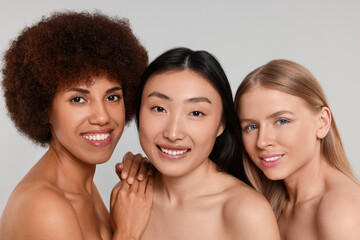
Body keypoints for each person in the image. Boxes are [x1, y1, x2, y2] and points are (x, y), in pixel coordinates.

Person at [0, 11, 154, 240]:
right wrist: (127, 232)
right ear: (45, 109)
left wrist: (141, 179)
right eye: (78, 99)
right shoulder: (46, 207)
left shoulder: (84, 187)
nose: (102, 117)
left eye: (112, 97)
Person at [129, 47, 280, 239]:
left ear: (221, 124)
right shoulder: (130, 198)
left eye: (196, 113)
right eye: (159, 108)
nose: (173, 133)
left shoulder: (247, 212)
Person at [234, 59, 360, 239]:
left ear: (322, 122)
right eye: (251, 127)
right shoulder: (273, 206)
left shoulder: (342, 211)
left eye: (282, 121)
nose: (262, 141)